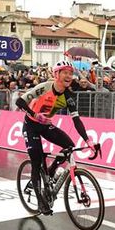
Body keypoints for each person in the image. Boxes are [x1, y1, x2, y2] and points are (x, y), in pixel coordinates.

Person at [16, 60, 97, 215]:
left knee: (70, 146)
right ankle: (40, 200)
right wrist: (35, 115)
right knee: (36, 159)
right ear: (56, 74)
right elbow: (19, 101)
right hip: (31, 125)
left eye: (70, 73)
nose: (68, 76)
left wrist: (88, 140)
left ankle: (51, 173)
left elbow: (76, 120)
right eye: (65, 72)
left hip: (46, 125)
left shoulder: (68, 95)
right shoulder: (45, 87)